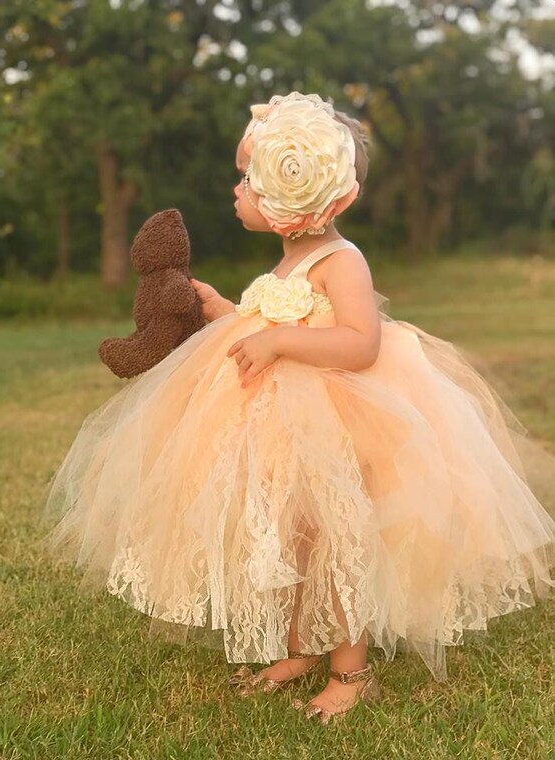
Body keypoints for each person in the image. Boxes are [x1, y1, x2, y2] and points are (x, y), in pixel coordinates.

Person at [38, 92, 555, 726]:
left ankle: (350, 671)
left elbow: (360, 343)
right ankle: (297, 647)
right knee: (290, 537)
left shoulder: (343, 261)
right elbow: (272, 317)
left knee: (339, 536)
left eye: (247, 182)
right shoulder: (287, 261)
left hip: (333, 421)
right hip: (275, 424)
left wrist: (279, 338)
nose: (235, 191)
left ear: (293, 203)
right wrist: (224, 312)